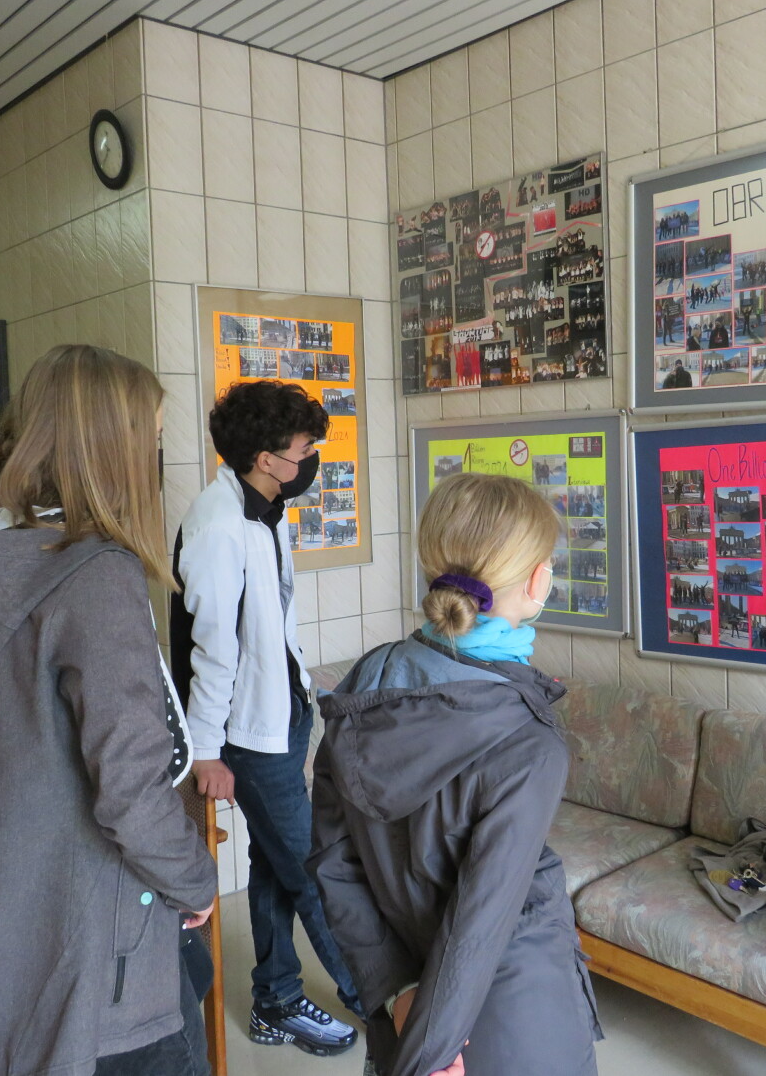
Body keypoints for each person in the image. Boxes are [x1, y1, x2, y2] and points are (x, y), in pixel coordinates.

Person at [0, 345, 217, 1076]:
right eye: (152, 440)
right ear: (114, 451)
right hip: (103, 971)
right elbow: (131, 791)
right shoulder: (99, 577)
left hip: (11, 940)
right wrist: (195, 879)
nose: (157, 458)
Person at [309, 473, 602, 1076]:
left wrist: (394, 994)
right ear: (538, 579)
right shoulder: (527, 742)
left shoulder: (364, 686)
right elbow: (478, 924)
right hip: (511, 1020)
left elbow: (333, 862)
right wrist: (429, 1054)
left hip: (406, 1005)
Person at [170, 380, 361, 1059]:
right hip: (246, 736)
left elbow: (269, 625)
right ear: (264, 456)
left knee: (277, 864)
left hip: (281, 717)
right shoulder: (220, 525)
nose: (311, 458)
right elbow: (211, 647)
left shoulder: (263, 509)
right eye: (303, 447)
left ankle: (276, 1000)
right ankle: (385, 999)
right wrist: (206, 750)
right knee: (314, 869)